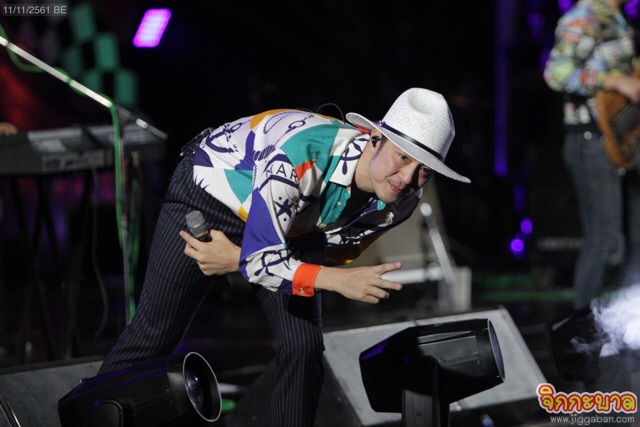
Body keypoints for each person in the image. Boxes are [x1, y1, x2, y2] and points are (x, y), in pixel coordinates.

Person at [97, 88, 470, 426]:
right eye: (403, 157)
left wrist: (237, 259)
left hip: (295, 226)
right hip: (214, 197)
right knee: (153, 337)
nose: (407, 178)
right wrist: (317, 275)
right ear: (375, 138)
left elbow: (328, 251)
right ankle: (88, 413)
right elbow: (276, 261)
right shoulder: (303, 154)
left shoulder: (402, 202)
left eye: (424, 170)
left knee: (302, 347)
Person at [544, 0, 640, 310]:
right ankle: (582, 326)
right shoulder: (584, 17)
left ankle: (629, 319)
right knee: (603, 239)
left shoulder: (620, 19)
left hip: (626, 139)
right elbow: (556, 73)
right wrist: (614, 81)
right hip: (591, 138)